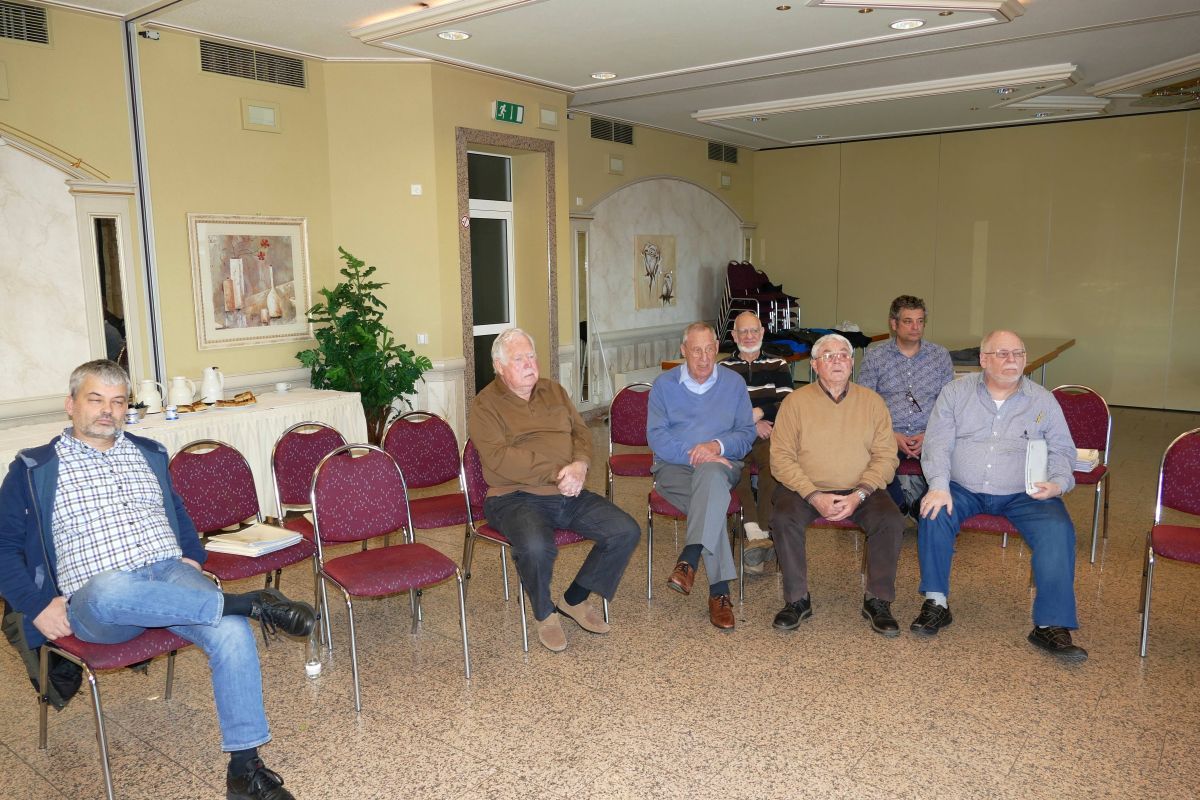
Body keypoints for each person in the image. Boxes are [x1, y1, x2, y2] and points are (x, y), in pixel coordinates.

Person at [0, 359, 315, 800]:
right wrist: (35, 606)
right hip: (99, 600)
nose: (107, 410)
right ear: (70, 405)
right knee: (110, 588)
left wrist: (192, 556)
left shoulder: (148, 453)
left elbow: (178, 511)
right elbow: (3, 546)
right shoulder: (34, 468)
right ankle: (249, 602)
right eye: (96, 399)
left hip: (169, 575)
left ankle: (244, 770)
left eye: (118, 401)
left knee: (231, 632)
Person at [912, 330, 1087, 662]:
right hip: (962, 487)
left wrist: (1058, 483)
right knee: (934, 512)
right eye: (1003, 353)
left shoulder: (1042, 400)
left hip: (1024, 491)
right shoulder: (955, 393)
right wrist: (938, 485)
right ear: (983, 359)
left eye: (1018, 354)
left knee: (1057, 529)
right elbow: (937, 444)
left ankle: (1050, 624)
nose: (1012, 360)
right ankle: (936, 602)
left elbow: (1063, 449)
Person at [469, 328, 640, 653]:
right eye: (519, 359)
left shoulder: (554, 391)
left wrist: (580, 464)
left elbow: (581, 433)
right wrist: (556, 472)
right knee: (536, 547)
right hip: (513, 497)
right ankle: (544, 613)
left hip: (567, 491)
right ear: (499, 366)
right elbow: (498, 459)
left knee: (625, 531)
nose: (529, 364)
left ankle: (574, 600)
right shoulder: (485, 404)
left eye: (531, 356)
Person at [769, 334, 905, 636]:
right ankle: (797, 600)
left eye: (844, 354)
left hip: (862, 488)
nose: (837, 360)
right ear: (815, 365)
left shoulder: (872, 402)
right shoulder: (795, 402)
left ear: (852, 363)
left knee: (891, 520)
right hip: (805, 488)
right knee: (783, 517)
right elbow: (780, 459)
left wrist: (860, 494)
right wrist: (813, 495)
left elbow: (886, 457)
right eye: (828, 356)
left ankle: (878, 600)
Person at [648, 322, 756, 630]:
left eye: (710, 349)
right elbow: (657, 437)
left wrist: (715, 447)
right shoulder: (664, 385)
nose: (704, 358)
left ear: (717, 349)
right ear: (683, 351)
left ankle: (690, 557)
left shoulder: (734, 383)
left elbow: (746, 434)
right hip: (674, 468)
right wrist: (694, 453)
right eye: (696, 350)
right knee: (711, 505)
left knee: (711, 476)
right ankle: (718, 594)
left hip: (721, 464)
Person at [857, 295, 953, 519]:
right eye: (908, 321)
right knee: (865, 456)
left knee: (954, 458)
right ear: (894, 324)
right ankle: (896, 505)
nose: (915, 327)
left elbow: (949, 405)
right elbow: (864, 404)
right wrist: (890, 434)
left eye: (920, 321)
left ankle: (921, 505)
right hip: (887, 433)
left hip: (930, 433)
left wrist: (929, 434)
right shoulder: (875, 357)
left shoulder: (940, 356)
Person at [720, 312, 792, 572]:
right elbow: (720, 408)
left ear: (762, 332)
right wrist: (750, 424)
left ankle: (759, 535)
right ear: (734, 336)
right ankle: (756, 535)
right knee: (733, 467)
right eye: (743, 331)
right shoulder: (723, 368)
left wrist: (760, 413)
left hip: (768, 434)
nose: (749, 336)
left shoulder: (778, 364)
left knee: (773, 465)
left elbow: (788, 402)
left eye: (754, 331)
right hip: (738, 434)